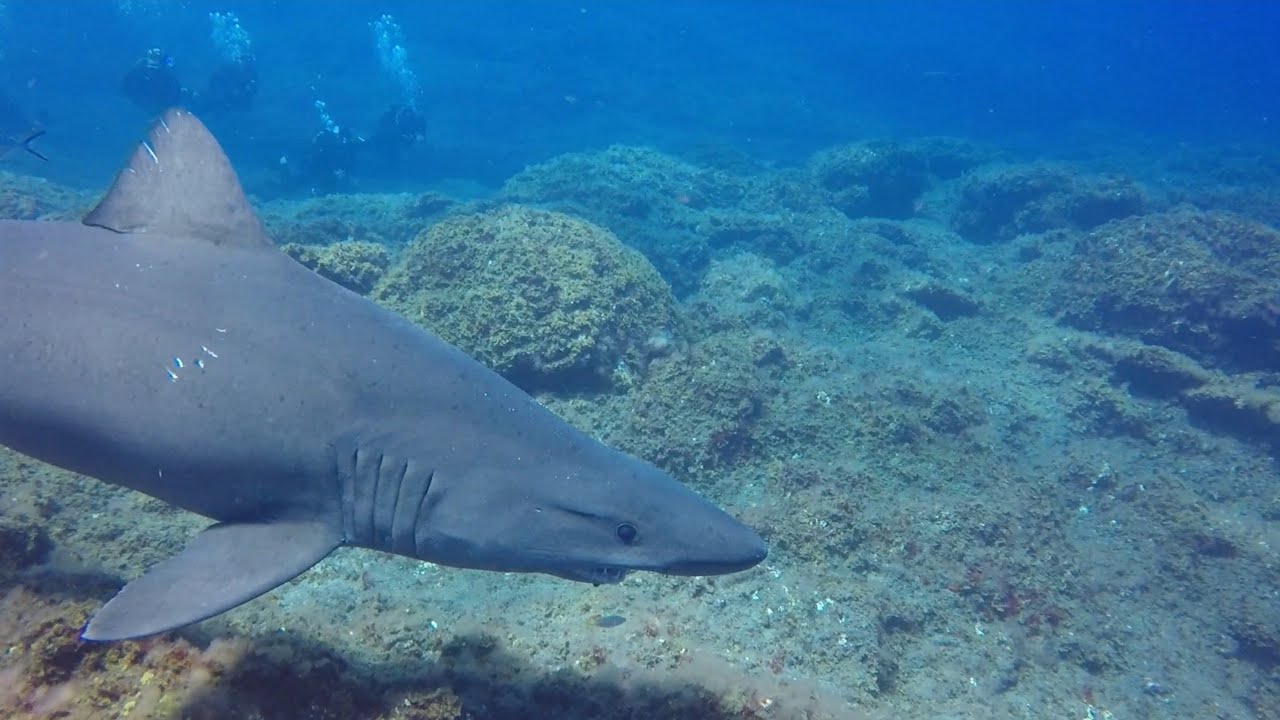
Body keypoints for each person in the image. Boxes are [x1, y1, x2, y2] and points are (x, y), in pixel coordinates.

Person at [121, 48, 183, 114]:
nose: (154, 62)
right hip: (136, 111)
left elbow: (174, 96)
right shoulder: (133, 77)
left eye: (158, 58)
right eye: (152, 57)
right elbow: (126, 91)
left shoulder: (169, 80)